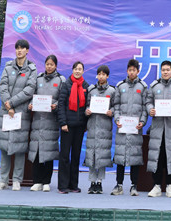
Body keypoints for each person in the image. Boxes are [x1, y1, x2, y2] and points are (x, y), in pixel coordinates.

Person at [0, 39, 38, 191]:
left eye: (22, 48)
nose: (19, 50)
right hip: (6, 112)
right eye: (17, 48)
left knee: (19, 147)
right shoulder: (8, 67)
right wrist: (8, 104)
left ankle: (17, 180)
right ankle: (3, 180)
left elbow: (29, 90)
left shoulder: (32, 69)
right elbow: (3, 86)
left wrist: (12, 103)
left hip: (20, 112)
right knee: (4, 146)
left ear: (27, 51)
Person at [146, 60, 171, 198]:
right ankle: (156, 186)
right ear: (161, 71)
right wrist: (150, 110)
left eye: (167, 70)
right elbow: (148, 102)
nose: (165, 72)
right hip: (158, 128)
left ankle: (170, 186)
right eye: (163, 70)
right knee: (157, 157)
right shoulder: (154, 86)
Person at [27, 55, 65, 192]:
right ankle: (37, 181)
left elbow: (63, 99)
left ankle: (46, 181)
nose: (49, 66)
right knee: (36, 152)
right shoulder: (38, 79)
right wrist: (31, 104)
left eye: (51, 64)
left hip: (51, 121)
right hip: (38, 120)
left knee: (48, 153)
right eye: (47, 64)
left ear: (56, 66)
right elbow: (32, 95)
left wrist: (55, 105)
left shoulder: (61, 80)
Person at [112, 58, 148, 196]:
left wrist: (142, 121)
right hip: (122, 127)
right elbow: (116, 105)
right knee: (120, 157)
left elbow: (145, 107)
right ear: (127, 71)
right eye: (130, 70)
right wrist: (117, 119)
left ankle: (134, 186)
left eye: (134, 70)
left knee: (135, 157)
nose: (132, 72)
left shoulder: (143, 87)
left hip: (135, 128)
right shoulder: (120, 86)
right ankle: (119, 185)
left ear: (138, 71)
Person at [57, 61, 89, 194]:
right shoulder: (66, 85)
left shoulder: (86, 86)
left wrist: (85, 124)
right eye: (75, 68)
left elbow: (87, 106)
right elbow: (61, 105)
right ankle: (62, 185)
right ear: (72, 70)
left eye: (80, 69)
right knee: (64, 156)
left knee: (76, 156)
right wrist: (63, 123)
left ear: (83, 71)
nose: (77, 71)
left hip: (79, 127)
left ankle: (73, 185)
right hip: (67, 127)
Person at [84, 64, 116, 194]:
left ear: (107, 76)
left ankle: (100, 182)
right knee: (91, 155)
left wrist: (111, 112)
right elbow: (86, 105)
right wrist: (87, 111)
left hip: (105, 127)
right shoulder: (91, 90)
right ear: (97, 76)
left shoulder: (112, 91)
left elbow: (115, 106)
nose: (101, 76)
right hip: (92, 126)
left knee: (102, 156)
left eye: (104, 74)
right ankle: (92, 182)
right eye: (99, 74)